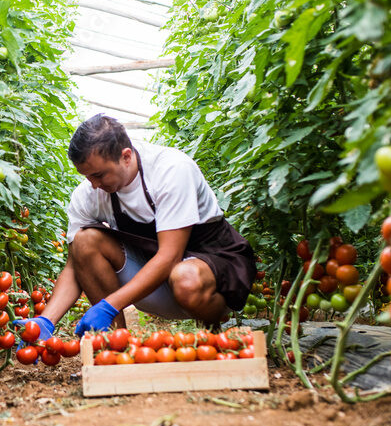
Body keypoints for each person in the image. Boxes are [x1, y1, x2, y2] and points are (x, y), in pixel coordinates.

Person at [16, 114, 255, 340]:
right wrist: (45, 320)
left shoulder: (171, 170)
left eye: (99, 175)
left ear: (126, 156)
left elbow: (170, 257)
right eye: (87, 176)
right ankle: (115, 345)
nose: (94, 185)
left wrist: (109, 305)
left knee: (185, 278)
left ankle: (213, 333)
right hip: (153, 278)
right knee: (84, 241)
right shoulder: (89, 193)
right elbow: (74, 265)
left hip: (215, 276)